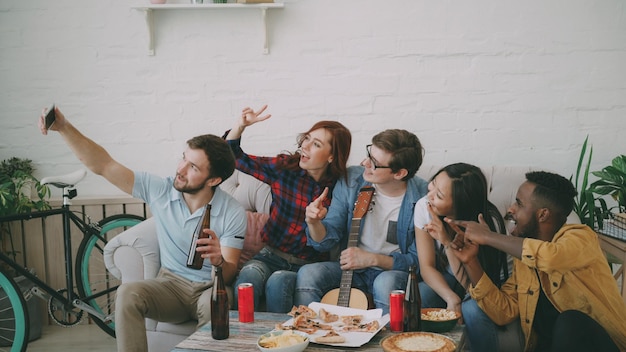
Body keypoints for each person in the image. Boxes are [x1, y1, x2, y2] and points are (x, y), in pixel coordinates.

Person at [39, 106, 247, 352]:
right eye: (184, 158)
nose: (180, 169)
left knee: (216, 306)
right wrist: (63, 127)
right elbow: (104, 165)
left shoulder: (232, 211)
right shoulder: (161, 190)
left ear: (213, 180)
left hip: (209, 287)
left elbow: (230, 272)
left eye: (193, 167)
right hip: (171, 284)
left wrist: (218, 261)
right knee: (128, 293)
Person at [447, 171, 626, 352]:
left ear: (542, 215)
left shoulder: (581, 238)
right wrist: (471, 261)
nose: (510, 209)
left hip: (604, 345)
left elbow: (551, 257)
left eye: (519, 203)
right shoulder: (524, 261)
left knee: (570, 321)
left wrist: (489, 236)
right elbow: (504, 312)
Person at [225, 105, 352, 313]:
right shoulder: (285, 169)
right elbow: (234, 158)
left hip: (306, 266)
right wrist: (240, 126)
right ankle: (244, 338)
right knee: (248, 277)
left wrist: (316, 221)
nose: (305, 146)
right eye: (307, 139)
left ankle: (281, 341)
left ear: (331, 156)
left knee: (279, 281)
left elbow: (326, 242)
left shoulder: (339, 190)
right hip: (270, 254)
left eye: (316, 144)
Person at [294, 129, 428, 314]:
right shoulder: (352, 181)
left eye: (374, 163)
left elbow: (419, 262)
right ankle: (311, 335)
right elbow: (326, 241)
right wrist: (313, 222)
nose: (364, 163)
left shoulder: (423, 198)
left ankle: (388, 341)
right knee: (308, 273)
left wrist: (372, 259)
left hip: (391, 273)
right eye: (368, 154)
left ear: (399, 173)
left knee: (385, 283)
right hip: (352, 271)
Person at [414, 163, 519, 351]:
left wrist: (447, 242)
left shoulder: (486, 224)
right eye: (433, 184)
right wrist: (451, 297)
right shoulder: (424, 206)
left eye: (439, 195)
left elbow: (474, 289)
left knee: (472, 309)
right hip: (451, 276)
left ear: (460, 204)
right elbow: (426, 266)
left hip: (489, 284)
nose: (429, 195)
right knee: (419, 294)